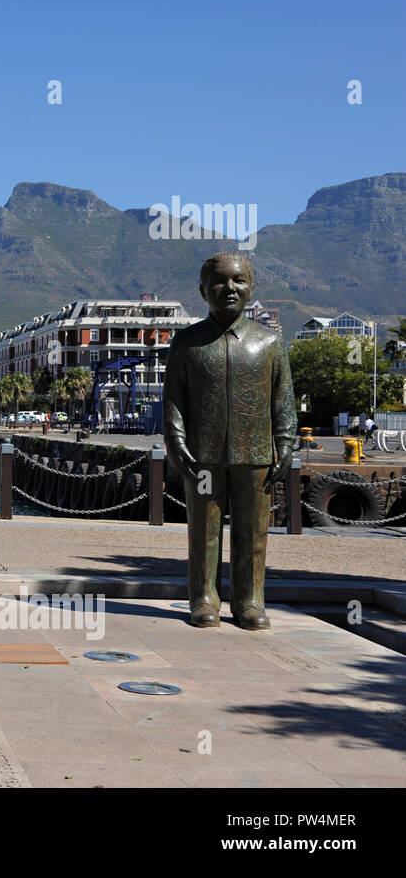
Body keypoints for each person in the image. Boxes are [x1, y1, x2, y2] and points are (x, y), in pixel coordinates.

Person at [164, 252, 296, 630]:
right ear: (202, 290)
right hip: (202, 457)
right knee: (203, 530)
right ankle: (204, 599)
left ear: (252, 287)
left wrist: (285, 444)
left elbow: (282, 400)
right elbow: (173, 401)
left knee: (253, 531)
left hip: (255, 456)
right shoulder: (186, 344)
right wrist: (176, 442)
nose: (230, 288)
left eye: (239, 280)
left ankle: (250, 602)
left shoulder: (269, 344)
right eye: (220, 281)